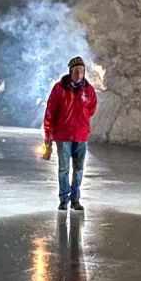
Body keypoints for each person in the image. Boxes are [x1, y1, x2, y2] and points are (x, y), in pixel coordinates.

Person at [42, 56, 97, 211]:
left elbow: (92, 108)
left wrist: (82, 121)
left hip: (81, 135)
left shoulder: (89, 90)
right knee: (64, 169)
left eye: (82, 71)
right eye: (76, 71)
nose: (79, 74)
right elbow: (50, 112)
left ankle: (75, 200)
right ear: (71, 71)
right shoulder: (59, 89)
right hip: (63, 136)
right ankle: (64, 200)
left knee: (79, 169)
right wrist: (48, 135)